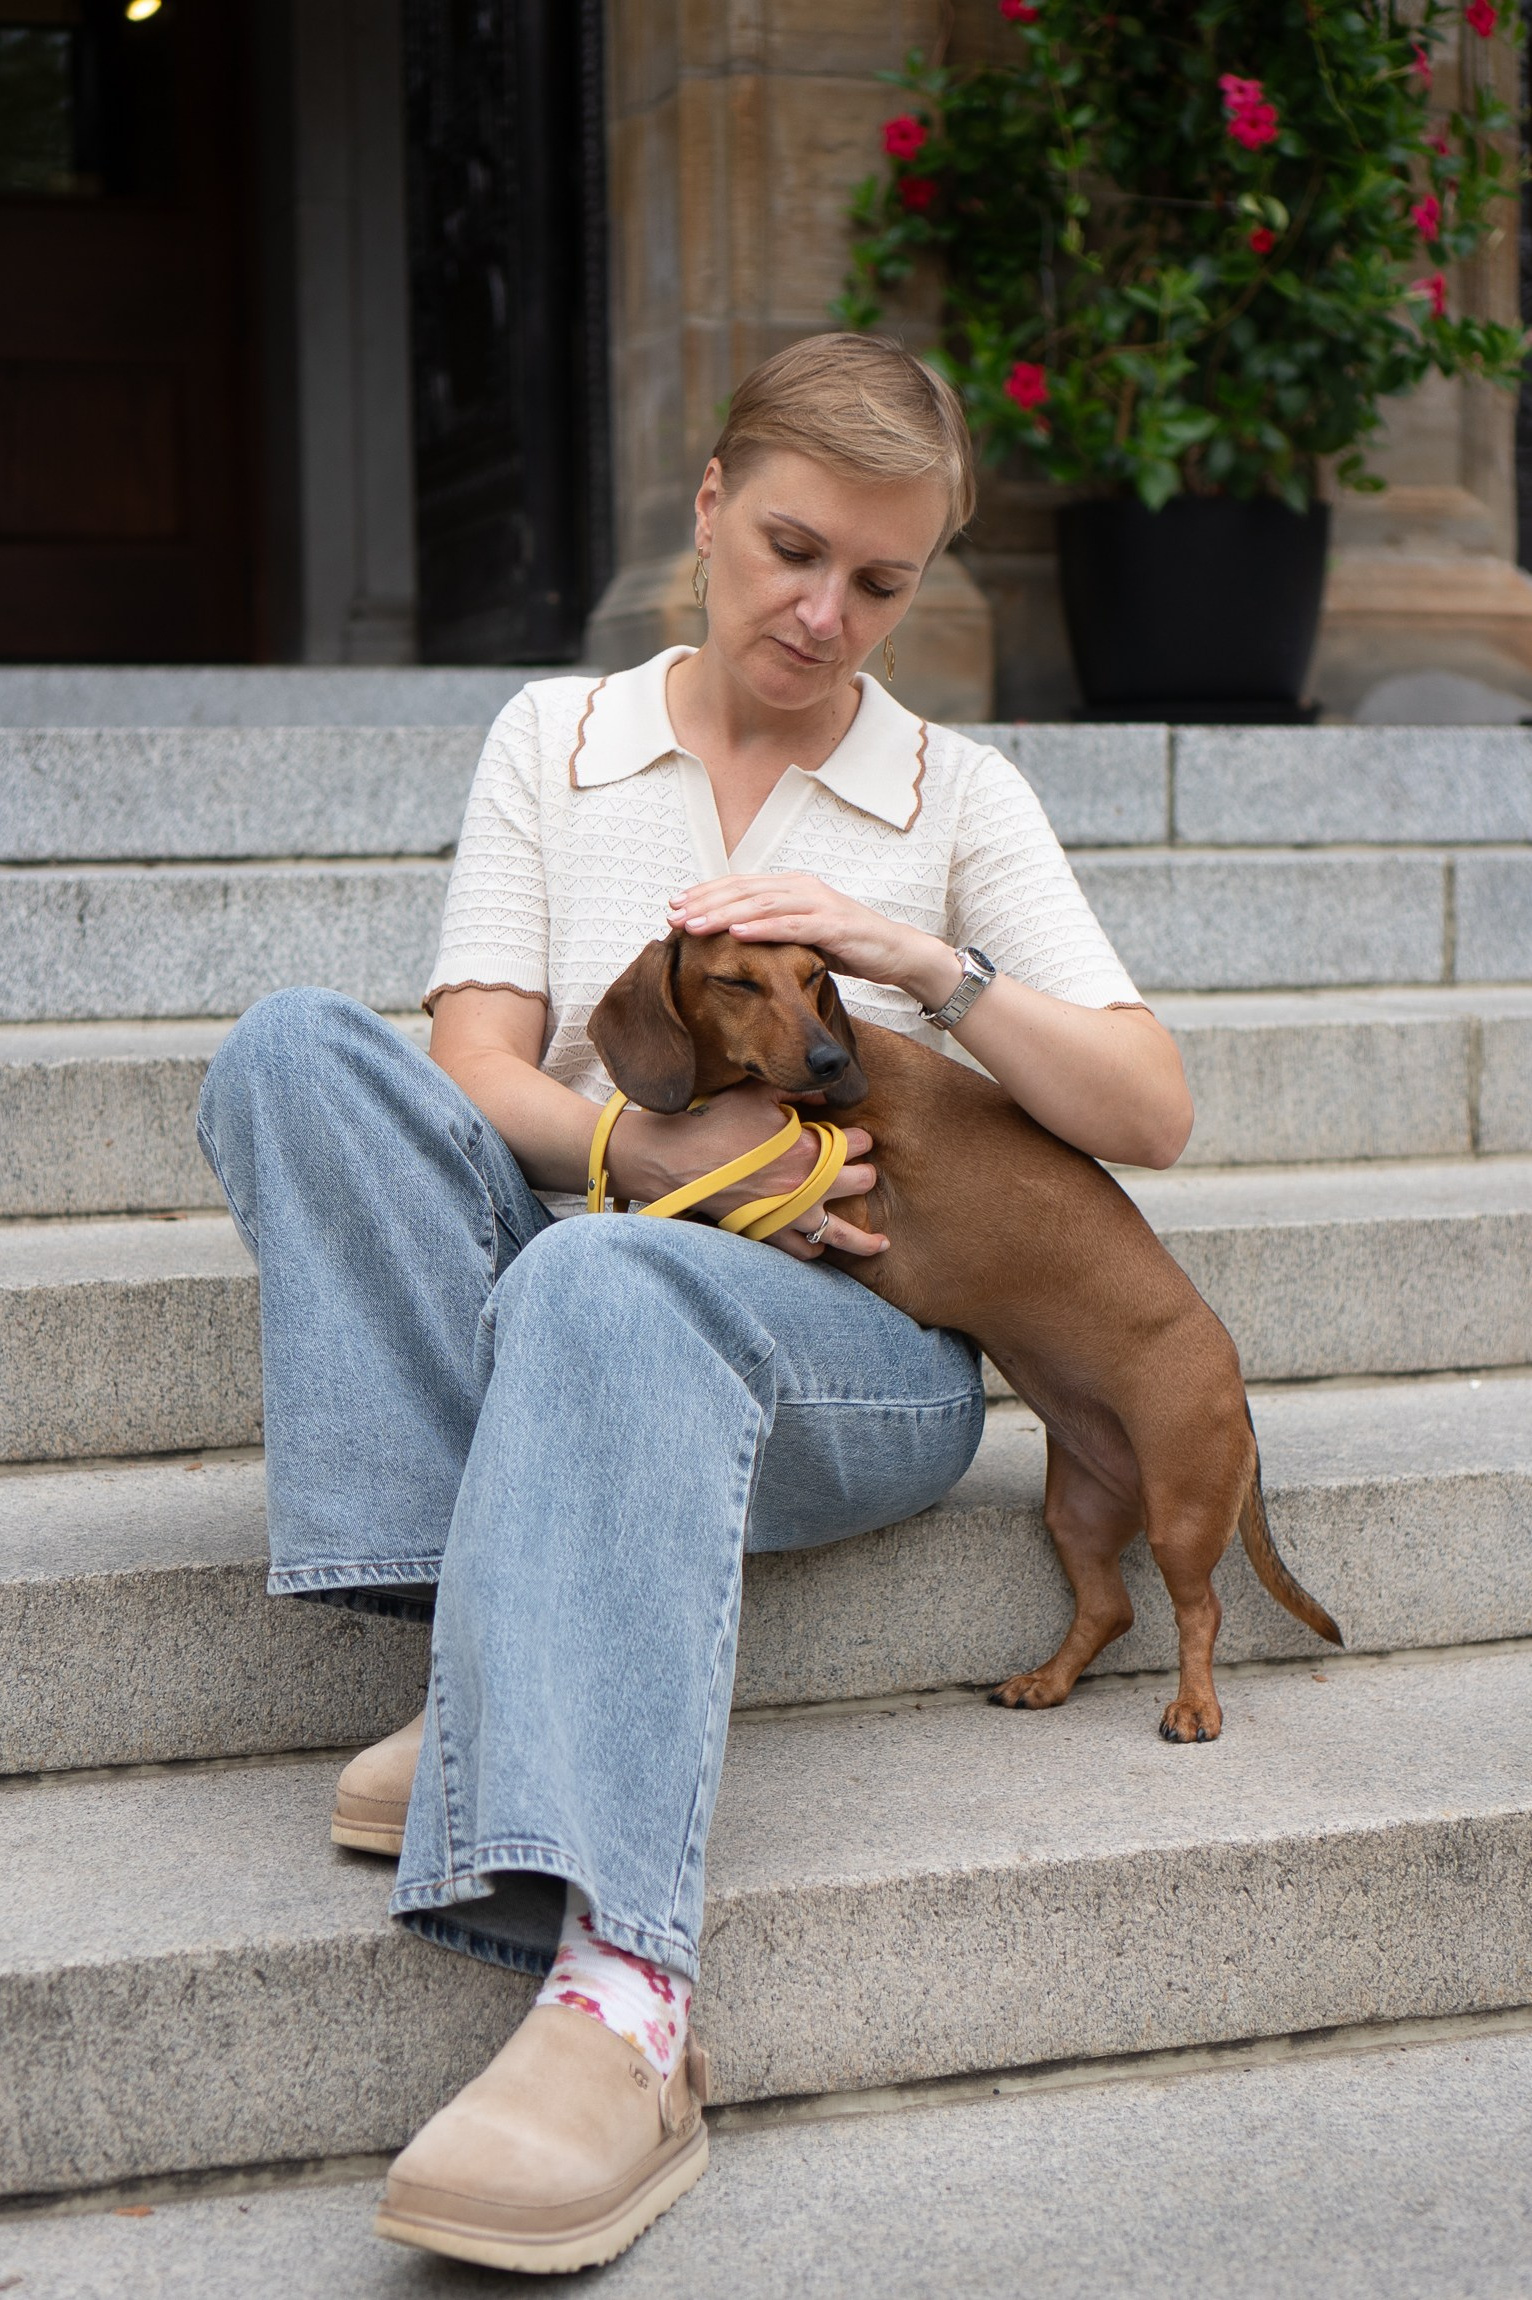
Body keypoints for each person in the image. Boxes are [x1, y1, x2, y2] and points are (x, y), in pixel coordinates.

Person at [197, 333, 1192, 2276]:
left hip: (856, 1359)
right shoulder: (554, 738)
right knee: (298, 1050)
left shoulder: (956, 793)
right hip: (592, 1265)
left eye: (881, 583)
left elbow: (1150, 1110)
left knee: (604, 1274)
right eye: (794, 552)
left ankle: (627, 2004)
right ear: (714, 504)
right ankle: (471, 1653)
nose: (824, 616)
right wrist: (648, 1156)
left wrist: (924, 962)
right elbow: (473, 1067)